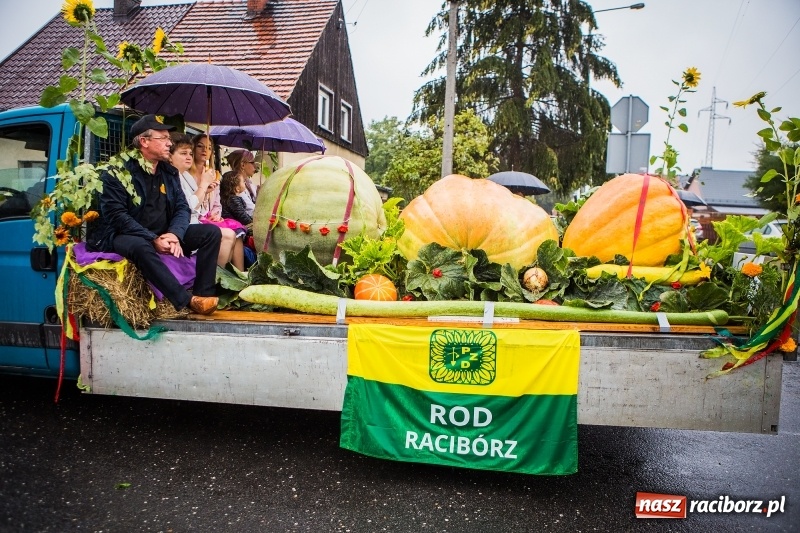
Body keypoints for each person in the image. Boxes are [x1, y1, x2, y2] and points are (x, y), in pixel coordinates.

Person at [86, 115, 221, 315]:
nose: (169, 143)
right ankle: (186, 300)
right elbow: (118, 217)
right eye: (163, 138)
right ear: (144, 141)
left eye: (169, 138)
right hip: (124, 234)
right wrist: (153, 239)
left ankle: (203, 293)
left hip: (163, 232)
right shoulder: (117, 172)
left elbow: (182, 208)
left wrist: (174, 234)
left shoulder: (169, 171)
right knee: (140, 246)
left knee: (211, 233)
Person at [171, 134, 245, 271]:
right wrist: (204, 186)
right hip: (188, 223)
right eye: (200, 146)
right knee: (228, 234)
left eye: (209, 148)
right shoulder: (180, 175)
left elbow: (216, 204)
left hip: (202, 218)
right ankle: (214, 279)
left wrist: (216, 213)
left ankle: (236, 276)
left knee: (236, 231)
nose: (205, 150)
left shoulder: (213, 174)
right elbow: (189, 206)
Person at [220, 149, 257, 227]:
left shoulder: (248, 184)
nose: (255, 166)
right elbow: (250, 211)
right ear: (243, 165)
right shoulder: (235, 187)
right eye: (252, 162)